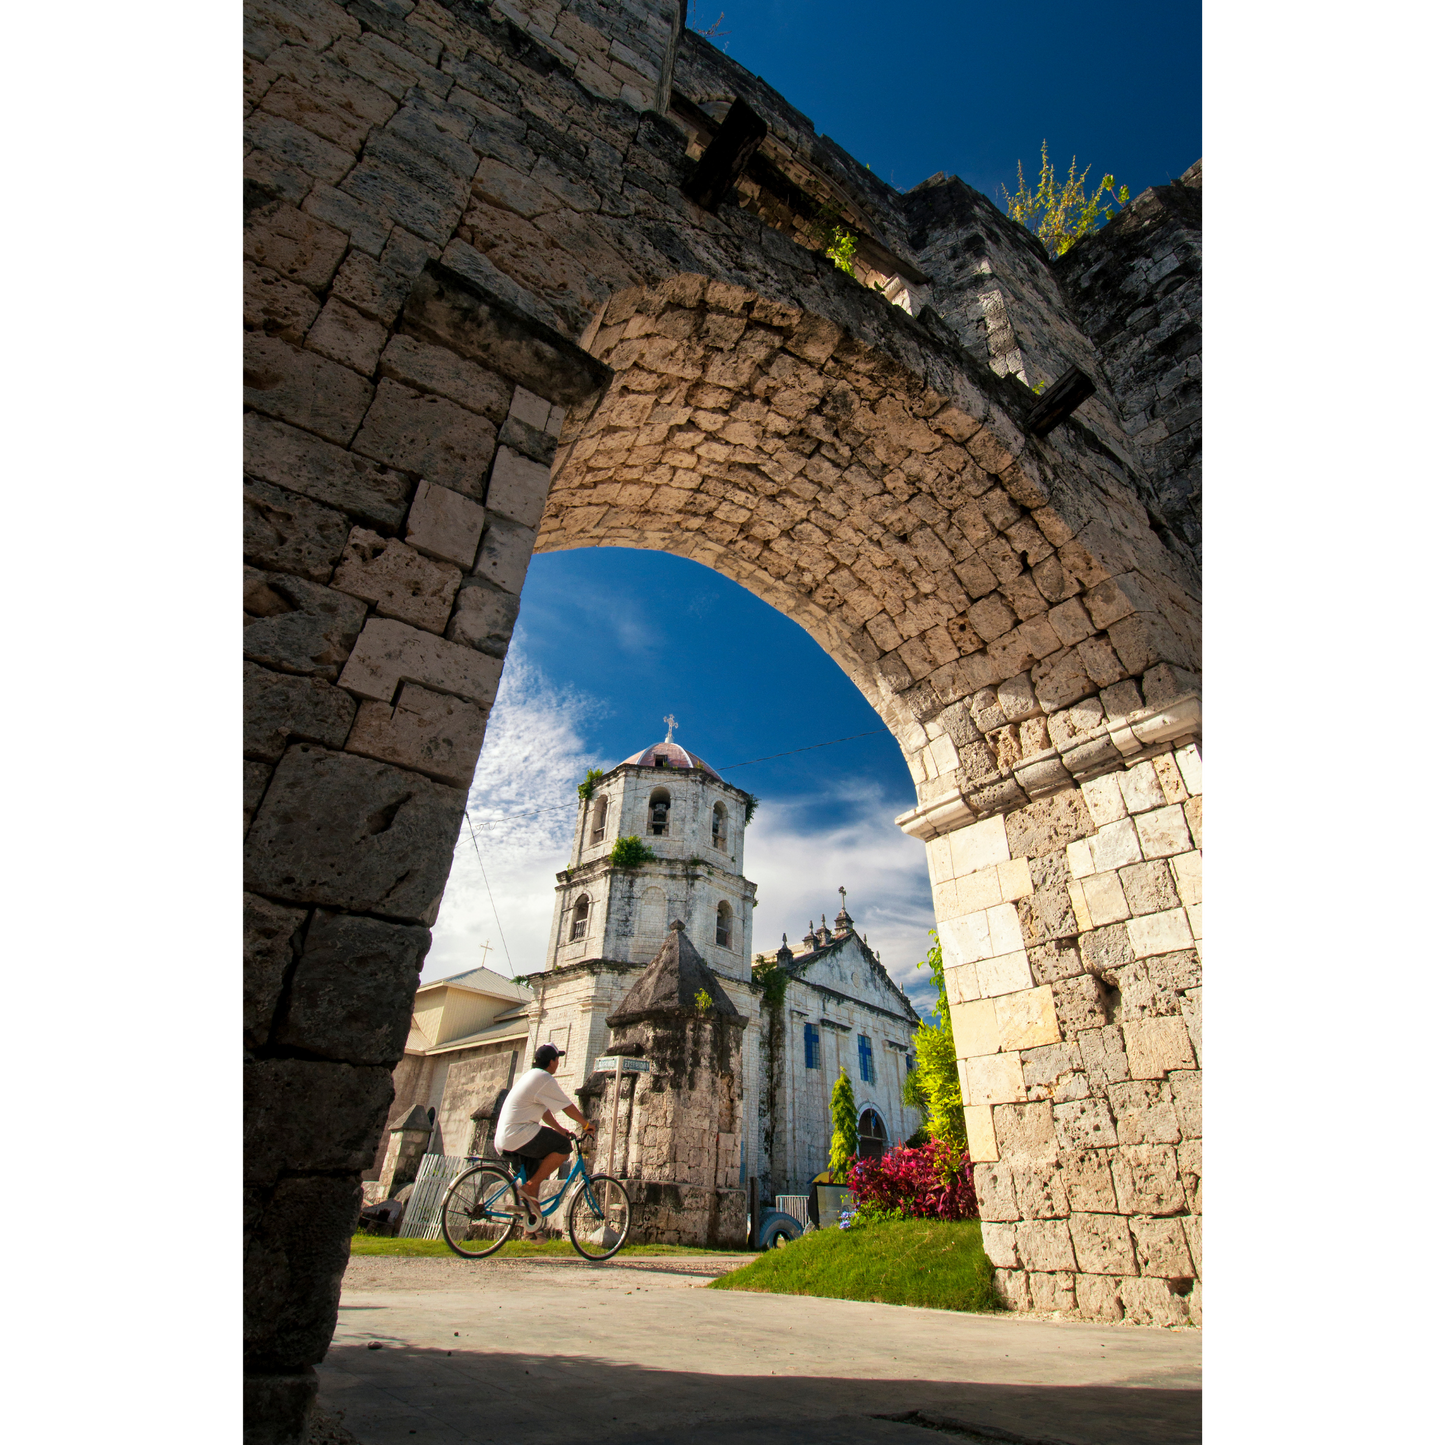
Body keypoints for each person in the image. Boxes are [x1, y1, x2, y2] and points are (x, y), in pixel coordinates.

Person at [494, 1043, 596, 1231]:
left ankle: (531, 1230)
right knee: (564, 1147)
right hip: (518, 1135)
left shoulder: (531, 1077)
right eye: (557, 1059)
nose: (558, 1063)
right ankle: (531, 1186)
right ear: (551, 1061)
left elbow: (544, 1111)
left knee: (534, 1179)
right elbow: (566, 1106)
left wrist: (559, 1129)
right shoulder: (544, 1078)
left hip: (506, 1139)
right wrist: (586, 1124)